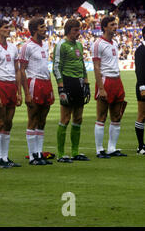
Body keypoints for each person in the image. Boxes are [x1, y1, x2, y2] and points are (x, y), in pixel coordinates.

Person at [53, 18, 91, 163]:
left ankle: (75, 152)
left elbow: (81, 64)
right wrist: (61, 86)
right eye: (76, 30)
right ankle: (61, 153)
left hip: (79, 83)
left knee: (78, 118)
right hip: (67, 82)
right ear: (69, 31)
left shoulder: (79, 45)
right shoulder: (61, 45)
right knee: (65, 119)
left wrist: (86, 82)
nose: (78, 33)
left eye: (79, 30)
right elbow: (56, 67)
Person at [0, 20, 22, 169]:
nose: (8, 30)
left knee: (8, 123)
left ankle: (5, 157)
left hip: (11, 85)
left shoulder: (13, 47)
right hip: (0, 85)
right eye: (5, 27)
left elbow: (17, 69)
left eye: (8, 27)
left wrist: (19, 92)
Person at [19, 17, 54, 166]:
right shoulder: (27, 46)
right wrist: (26, 93)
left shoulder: (45, 44)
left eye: (44, 26)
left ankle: (39, 153)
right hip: (34, 83)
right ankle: (33, 156)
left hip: (46, 83)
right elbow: (21, 70)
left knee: (42, 121)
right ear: (34, 30)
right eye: (41, 27)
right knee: (33, 119)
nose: (45, 29)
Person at [91, 16, 127, 158]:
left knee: (116, 116)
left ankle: (112, 148)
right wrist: (101, 88)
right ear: (105, 27)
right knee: (101, 116)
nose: (115, 26)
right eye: (112, 24)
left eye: (116, 24)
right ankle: (99, 149)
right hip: (105, 81)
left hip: (117, 81)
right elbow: (96, 67)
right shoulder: (98, 44)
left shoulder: (115, 42)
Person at [134, 26, 145, 154]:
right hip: (143, 87)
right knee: (142, 116)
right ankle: (140, 146)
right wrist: (143, 88)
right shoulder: (140, 50)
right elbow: (140, 70)